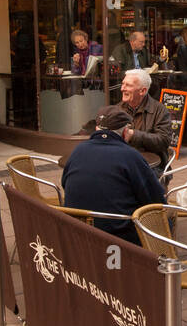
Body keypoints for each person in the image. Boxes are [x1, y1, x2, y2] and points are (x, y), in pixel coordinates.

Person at [62, 104, 166, 247]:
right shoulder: (130, 156)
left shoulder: (77, 151)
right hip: (119, 238)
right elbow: (155, 200)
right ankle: (163, 260)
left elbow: (64, 184)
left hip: (76, 233)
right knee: (163, 218)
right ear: (125, 133)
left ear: (97, 128)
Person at [119, 67, 176, 175]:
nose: (122, 88)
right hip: (124, 165)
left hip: (152, 169)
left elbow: (163, 141)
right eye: (123, 84)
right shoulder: (117, 110)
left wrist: (133, 135)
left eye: (128, 85)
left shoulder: (159, 110)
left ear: (143, 91)